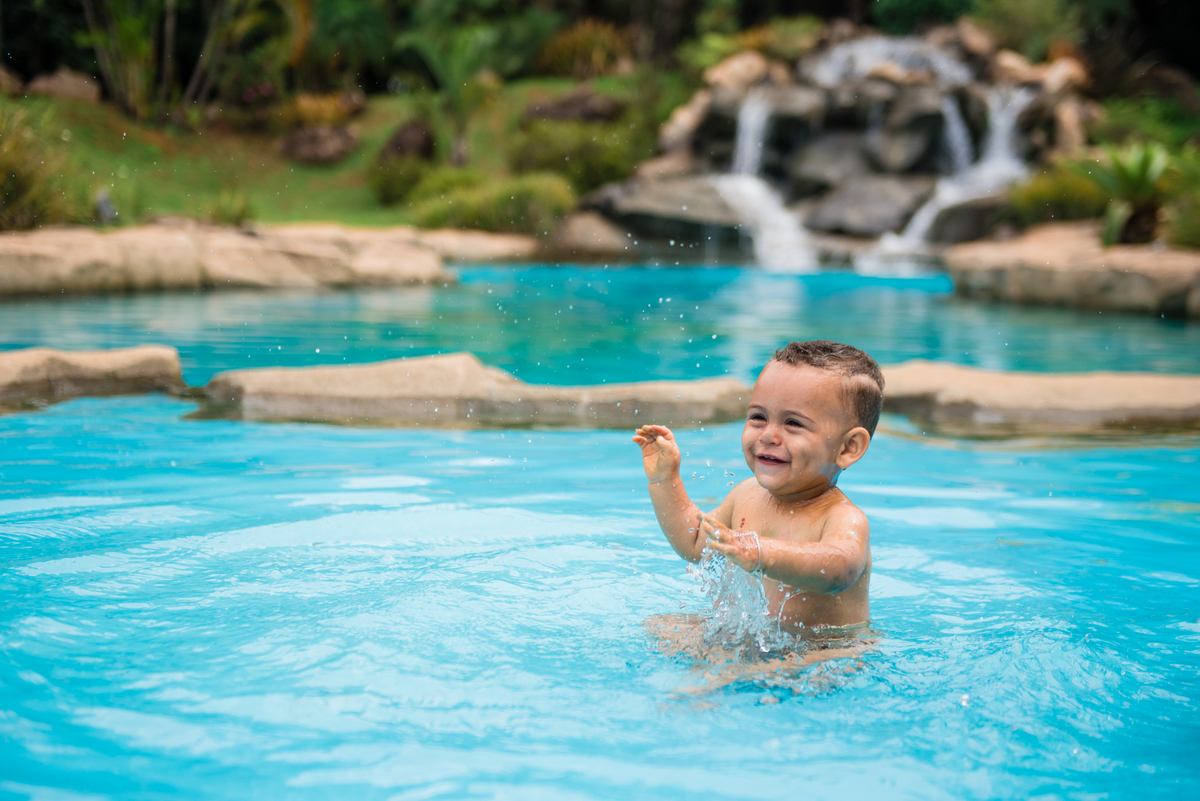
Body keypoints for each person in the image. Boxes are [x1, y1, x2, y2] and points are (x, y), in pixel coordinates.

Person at [633, 340, 884, 635]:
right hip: (761, 640)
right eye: (758, 417)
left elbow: (838, 570)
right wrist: (665, 480)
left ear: (848, 447)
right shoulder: (746, 494)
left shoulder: (842, 518)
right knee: (662, 628)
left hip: (827, 647)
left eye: (793, 423)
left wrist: (762, 553)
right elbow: (695, 543)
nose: (767, 435)